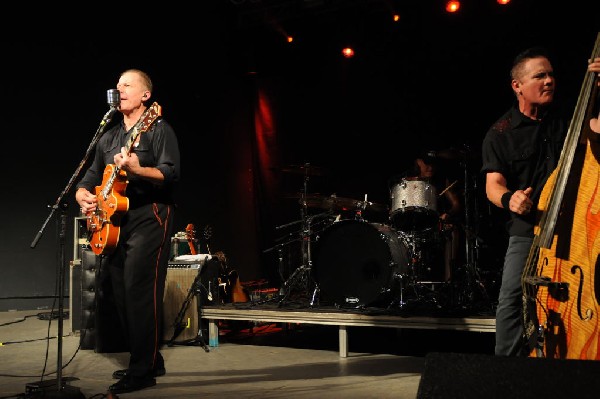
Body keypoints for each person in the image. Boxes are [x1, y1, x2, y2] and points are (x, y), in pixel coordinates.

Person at [480, 46, 600, 357]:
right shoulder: (500, 133)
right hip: (529, 227)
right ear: (517, 85)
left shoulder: (566, 119)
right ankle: (506, 371)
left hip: (575, 225)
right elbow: (493, 186)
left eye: (551, 74)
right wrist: (510, 199)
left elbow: (596, 134)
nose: (549, 80)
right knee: (511, 297)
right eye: (539, 76)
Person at [75, 69, 181, 393]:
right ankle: (149, 358)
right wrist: (83, 195)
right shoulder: (107, 136)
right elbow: (90, 176)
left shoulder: (158, 129)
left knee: (139, 289)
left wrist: (138, 169)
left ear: (145, 96)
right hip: (116, 221)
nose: (118, 89)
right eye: (117, 85)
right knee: (120, 291)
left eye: (127, 85)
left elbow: (170, 173)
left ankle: (141, 371)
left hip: (150, 216)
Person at [390, 150, 463, 282]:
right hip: (408, 224)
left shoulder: (441, 180)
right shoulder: (405, 180)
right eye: (427, 164)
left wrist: (448, 214)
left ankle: (448, 281)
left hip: (433, 224)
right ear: (418, 162)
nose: (431, 168)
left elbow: (456, 204)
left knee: (452, 231)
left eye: (434, 165)